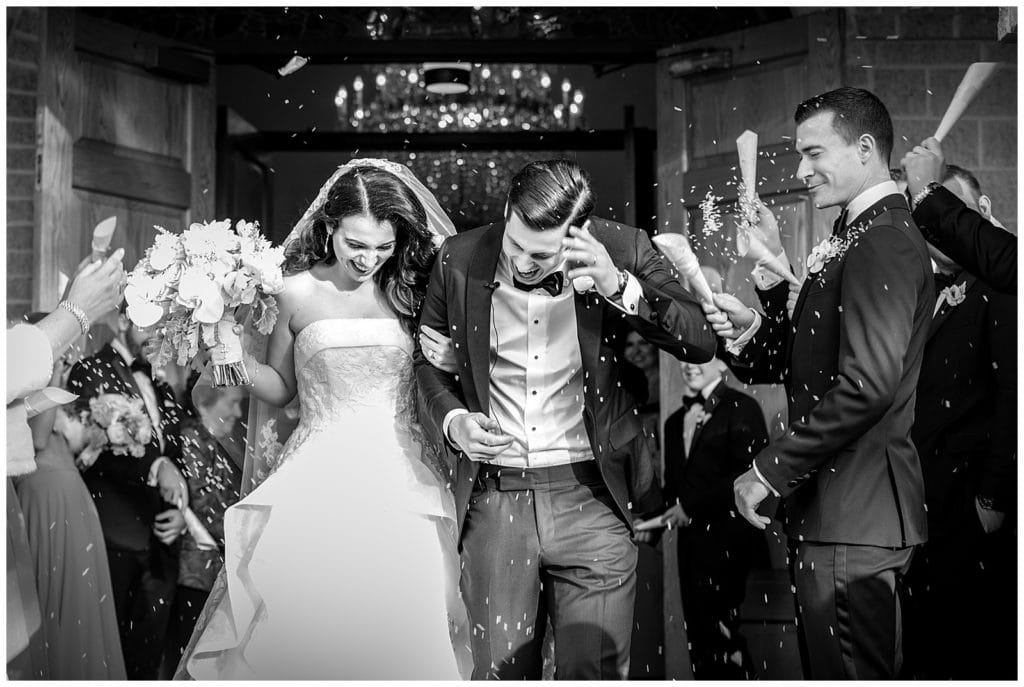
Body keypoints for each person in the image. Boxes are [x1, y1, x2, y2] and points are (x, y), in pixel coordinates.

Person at [416, 158, 716, 679]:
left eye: (542, 254)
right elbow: (427, 361)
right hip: (497, 498)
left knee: (592, 673)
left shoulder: (622, 248)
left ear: (579, 235)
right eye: (516, 247)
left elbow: (699, 339)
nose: (525, 265)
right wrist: (455, 421)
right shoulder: (458, 258)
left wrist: (617, 283)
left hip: (594, 497)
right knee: (499, 672)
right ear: (508, 212)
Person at [177, 160, 472, 680]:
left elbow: (439, 375)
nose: (370, 259)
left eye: (383, 246)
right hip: (316, 478)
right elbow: (282, 386)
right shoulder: (293, 294)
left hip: (401, 481)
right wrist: (234, 357)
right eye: (357, 244)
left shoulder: (409, 292)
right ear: (329, 226)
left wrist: (452, 359)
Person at [706, 87, 931, 679]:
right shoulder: (852, 235)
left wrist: (767, 471)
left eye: (813, 153)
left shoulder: (881, 239)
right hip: (838, 515)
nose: (801, 171)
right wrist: (764, 310)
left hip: (854, 515)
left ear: (863, 148)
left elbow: (865, 386)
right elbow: (807, 362)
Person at [901, 165, 1016, 679]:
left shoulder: (998, 287)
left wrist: (992, 496)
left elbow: (1014, 395)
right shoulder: (921, 292)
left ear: (980, 213)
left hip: (974, 502)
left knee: (975, 648)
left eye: (947, 214)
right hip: (924, 506)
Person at [7, 248, 126, 679]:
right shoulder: (33, 381)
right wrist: (74, 313)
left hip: (66, 490)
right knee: (50, 604)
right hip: (45, 493)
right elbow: (38, 438)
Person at [66, 305, 188, 680]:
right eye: (152, 323)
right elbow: (94, 452)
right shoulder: (89, 371)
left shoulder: (161, 383)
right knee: (107, 659)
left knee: (147, 661)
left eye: (165, 325)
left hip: (161, 545)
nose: (161, 333)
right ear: (122, 321)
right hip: (114, 539)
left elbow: (176, 455)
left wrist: (180, 509)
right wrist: (155, 467)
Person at [662, 357, 769, 679]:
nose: (688, 364)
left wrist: (691, 507)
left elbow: (747, 474)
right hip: (689, 543)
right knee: (698, 633)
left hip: (727, 540)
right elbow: (674, 487)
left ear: (723, 364)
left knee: (722, 633)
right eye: (682, 357)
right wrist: (649, 521)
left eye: (699, 357)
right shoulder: (673, 421)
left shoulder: (742, 407)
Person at [162, 375, 243, 677]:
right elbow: (204, 505)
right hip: (191, 572)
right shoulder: (189, 438)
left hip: (215, 575)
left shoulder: (223, 447)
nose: (237, 413)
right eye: (232, 403)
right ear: (208, 401)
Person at [902, 136, 1016, 293]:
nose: (933, 225)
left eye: (955, 207)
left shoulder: (1009, 285)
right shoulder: (917, 294)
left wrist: (927, 192)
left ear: (984, 208)